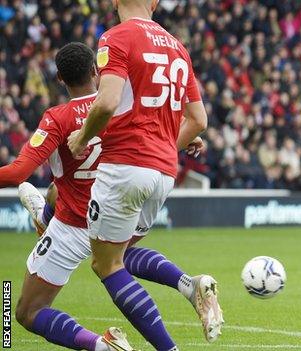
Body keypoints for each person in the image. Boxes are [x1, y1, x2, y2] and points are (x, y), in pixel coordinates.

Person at [67, 1, 221, 349]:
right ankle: (188, 284)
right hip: (163, 173)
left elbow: (106, 103)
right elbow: (198, 120)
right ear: (154, 3)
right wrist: (167, 147)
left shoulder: (116, 37)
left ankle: (169, 348)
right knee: (122, 252)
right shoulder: (178, 46)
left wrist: (83, 136)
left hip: (125, 166)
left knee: (106, 265)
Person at [0, 42, 135, 351]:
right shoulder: (120, 105)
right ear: (95, 71)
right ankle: (43, 215)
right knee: (53, 190)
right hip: (116, 219)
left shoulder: (58, 118)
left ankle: (103, 346)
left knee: (25, 312)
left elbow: (18, 173)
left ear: (59, 79)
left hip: (73, 226)